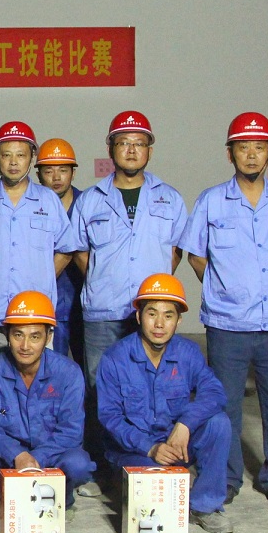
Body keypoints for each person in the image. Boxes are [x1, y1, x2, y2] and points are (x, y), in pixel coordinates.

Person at [180, 113, 268, 507]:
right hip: (228, 323)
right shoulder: (211, 201)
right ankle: (227, 477)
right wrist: (226, 287)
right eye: (243, 148)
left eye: (259, 147)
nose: (252, 155)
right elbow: (196, 256)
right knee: (225, 407)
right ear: (230, 154)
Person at [96, 274, 233, 533]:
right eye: (152, 314)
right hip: (135, 452)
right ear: (139, 316)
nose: (159, 324)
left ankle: (204, 506)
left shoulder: (188, 353)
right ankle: (152, 480)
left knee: (218, 423)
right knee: (155, 511)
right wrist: (149, 448)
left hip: (176, 444)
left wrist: (185, 424)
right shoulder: (115, 358)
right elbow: (110, 418)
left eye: (168, 316)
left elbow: (214, 392)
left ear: (178, 320)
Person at [72, 112, 189, 385]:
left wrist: (154, 283)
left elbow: (175, 251)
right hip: (104, 312)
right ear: (110, 149)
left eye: (139, 143)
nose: (132, 150)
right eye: (124, 142)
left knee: (151, 386)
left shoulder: (170, 198)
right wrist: (103, 277)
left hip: (152, 312)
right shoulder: (90, 200)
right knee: (101, 387)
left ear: (149, 151)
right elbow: (79, 252)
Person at [0, 121, 80, 376]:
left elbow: (67, 248)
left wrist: (43, 278)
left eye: (21, 155)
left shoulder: (48, 200)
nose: (13, 162)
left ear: (32, 158)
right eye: (6, 155)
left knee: (39, 385)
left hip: (36, 316)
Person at [0, 292, 94, 514]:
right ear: (7, 334)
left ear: (49, 336)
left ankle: (58, 498)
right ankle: (6, 497)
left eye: (35, 337)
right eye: (18, 335)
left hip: (52, 454)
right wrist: (17, 454)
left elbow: (71, 431)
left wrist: (37, 457)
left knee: (79, 464)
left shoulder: (68, 373)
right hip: (9, 456)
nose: (25, 345)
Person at [36, 138, 86, 363]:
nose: (56, 177)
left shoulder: (89, 203)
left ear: (73, 173)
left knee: (90, 371)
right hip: (48, 307)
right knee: (51, 369)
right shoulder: (30, 206)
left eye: (63, 170)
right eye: (49, 171)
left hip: (84, 307)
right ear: (38, 175)